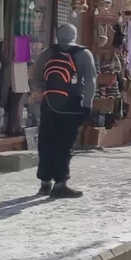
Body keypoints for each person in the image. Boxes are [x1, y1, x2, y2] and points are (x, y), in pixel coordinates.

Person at [31, 23, 97, 198]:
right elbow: (91, 81)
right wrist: (87, 106)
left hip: (49, 104)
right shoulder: (84, 54)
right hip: (72, 106)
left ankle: (44, 183)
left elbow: (36, 79)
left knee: (46, 142)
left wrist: (47, 91)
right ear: (75, 35)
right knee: (64, 144)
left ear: (57, 35)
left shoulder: (47, 53)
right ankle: (60, 185)